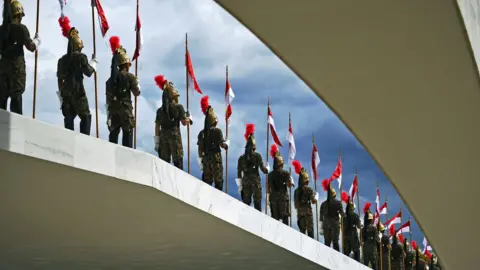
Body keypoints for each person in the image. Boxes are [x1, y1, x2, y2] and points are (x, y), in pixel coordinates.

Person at [56, 16, 97, 135]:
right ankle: (85, 140)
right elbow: (88, 72)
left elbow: (59, 79)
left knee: (69, 119)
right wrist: (93, 63)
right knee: (85, 116)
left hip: (66, 93)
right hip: (78, 92)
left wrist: (61, 95)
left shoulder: (61, 60)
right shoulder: (81, 57)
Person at [0, 0, 39, 115]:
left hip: (2, 69)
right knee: (16, 98)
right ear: (18, 14)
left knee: (2, 99)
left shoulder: (1, 30)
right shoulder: (21, 28)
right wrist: (36, 41)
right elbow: (30, 47)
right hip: (16, 69)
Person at [105, 36, 140, 147]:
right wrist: (137, 83)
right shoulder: (130, 77)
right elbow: (136, 92)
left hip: (113, 111)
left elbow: (107, 100)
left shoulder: (109, 80)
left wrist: (108, 114)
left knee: (113, 136)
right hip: (125, 111)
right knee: (127, 135)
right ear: (126, 64)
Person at [153, 74, 191, 169]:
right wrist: (189, 118)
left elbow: (157, 127)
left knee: (163, 164)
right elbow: (184, 122)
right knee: (178, 164)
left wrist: (157, 142)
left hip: (163, 137)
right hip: (175, 137)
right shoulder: (179, 107)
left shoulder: (159, 111)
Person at [197, 95, 228, 190]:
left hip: (206, 159)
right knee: (218, 183)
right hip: (216, 159)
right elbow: (222, 145)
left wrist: (201, 162)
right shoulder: (217, 131)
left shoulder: (201, 133)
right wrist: (226, 144)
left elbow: (200, 149)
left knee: (207, 184)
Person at [236, 124, 269, 211]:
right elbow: (263, 170)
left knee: (246, 204)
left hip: (245, 182)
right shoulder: (257, 156)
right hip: (255, 183)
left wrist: (240, 186)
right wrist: (268, 169)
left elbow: (239, 173)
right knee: (257, 204)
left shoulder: (241, 158)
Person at [268, 143, 293, 225]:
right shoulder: (285, 173)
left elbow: (268, 189)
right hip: (283, 198)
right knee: (285, 218)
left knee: (274, 220)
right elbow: (289, 185)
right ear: (281, 163)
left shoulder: (270, 175)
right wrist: (290, 182)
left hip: (273, 199)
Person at [292, 160, 317, 238]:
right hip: (308, 213)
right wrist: (316, 197)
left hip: (299, 213)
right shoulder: (309, 189)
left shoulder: (296, 191)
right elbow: (313, 201)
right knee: (310, 231)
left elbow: (296, 205)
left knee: (302, 232)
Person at [320, 179, 344, 252]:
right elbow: (342, 214)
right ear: (334, 195)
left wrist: (321, 228)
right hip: (335, 224)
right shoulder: (338, 203)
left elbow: (321, 218)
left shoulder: (323, 204)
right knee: (335, 242)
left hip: (326, 224)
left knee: (327, 242)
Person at [341, 192, 361, 262]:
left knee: (346, 253)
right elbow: (358, 226)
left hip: (345, 235)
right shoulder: (355, 215)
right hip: (353, 235)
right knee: (357, 252)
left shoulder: (344, 216)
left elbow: (342, 226)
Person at [363, 203, 380, 269]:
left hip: (365, 247)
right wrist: (379, 238)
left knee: (365, 265)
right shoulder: (374, 227)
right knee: (374, 265)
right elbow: (378, 239)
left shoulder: (364, 228)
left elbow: (362, 238)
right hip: (372, 248)